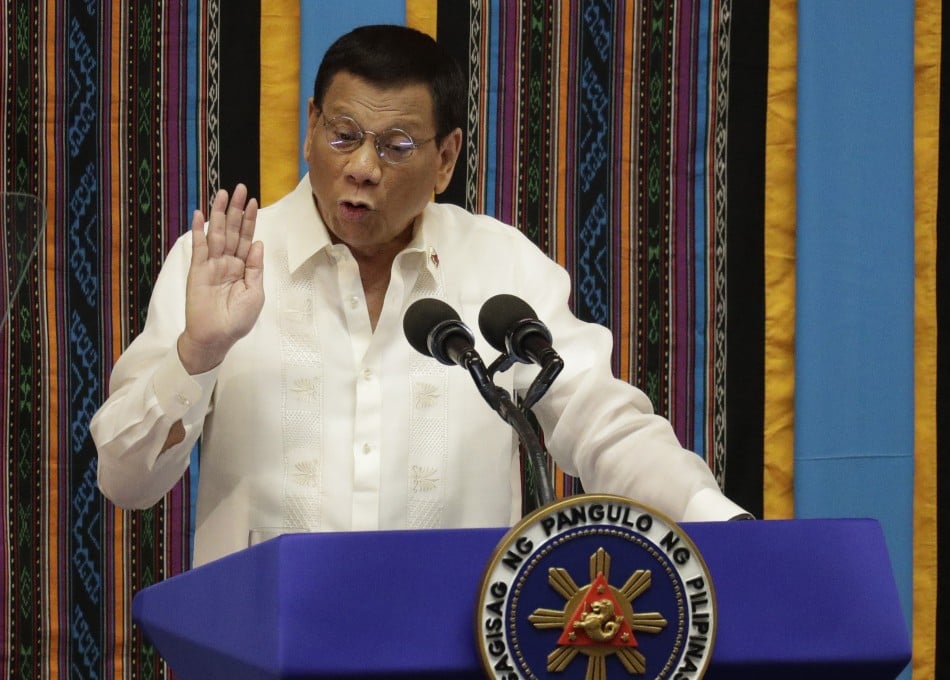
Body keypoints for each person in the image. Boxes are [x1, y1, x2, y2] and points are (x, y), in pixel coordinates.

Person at [90, 24, 749, 567]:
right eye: (342, 134)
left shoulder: (499, 266)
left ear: (446, 158)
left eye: (396, 145)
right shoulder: (220, 265)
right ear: (310, 126)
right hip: (263, 652)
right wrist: (196, 353)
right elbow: (126, 484)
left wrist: (719, 524)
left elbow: (604, 427)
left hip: (455, 647)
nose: (362, 168)